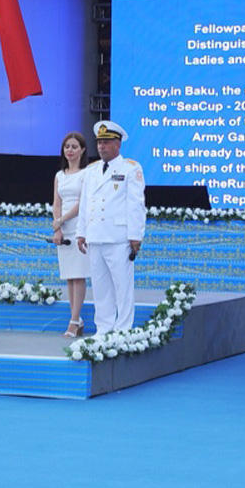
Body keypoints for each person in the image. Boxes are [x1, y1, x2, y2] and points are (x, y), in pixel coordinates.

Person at [76, 120, 145, 337]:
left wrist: (135, 236)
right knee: (100, 286)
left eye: (106, 142)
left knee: (122, 286)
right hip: (96, 235)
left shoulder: (130, 168)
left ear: (118, 144)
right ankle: (104, 328)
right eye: (99, 142)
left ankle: (123, 328)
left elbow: (135, 204)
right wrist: (81, 232)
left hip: (119, 236)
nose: (102, 147)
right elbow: (86, 203)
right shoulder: (92, 170)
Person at [52, 131, 89, 337]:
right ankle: (76, 318)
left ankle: (74, 320)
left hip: (78, 226)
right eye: (67, 147)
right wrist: (57, 227)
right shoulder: (59, 175)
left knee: (78, 275)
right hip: (63, 227)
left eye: (74, 147)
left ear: (82, 150)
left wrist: (63, 219)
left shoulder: (86, 174)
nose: (70, 150)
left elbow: (81, 203)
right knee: (69, 275)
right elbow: (56, 202)